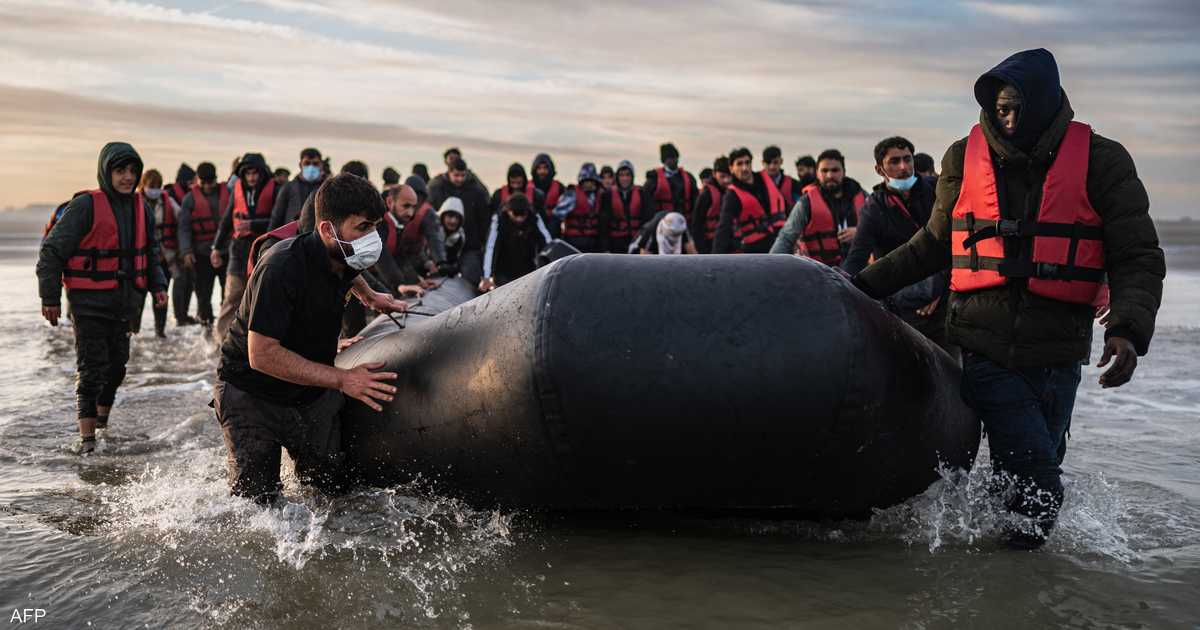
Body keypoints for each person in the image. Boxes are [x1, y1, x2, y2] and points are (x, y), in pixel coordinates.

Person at [851, 48, 1164, 549]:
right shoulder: (962, 156)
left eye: (1019, 107)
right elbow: (933, 245)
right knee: (1040, 487)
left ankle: (997, 567)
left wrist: (1128, 329)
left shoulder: (1103, 160)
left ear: (1045, 102)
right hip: (985, 344)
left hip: (1060, 349)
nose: (1011, 119)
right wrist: (856, 288)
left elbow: (1138, 255)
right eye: (1002, 110)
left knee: (1023, 474)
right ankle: (1016, 588)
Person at [214, 173, 407, 504]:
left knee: (333, 496)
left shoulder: (344, 255)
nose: (371, 237)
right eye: (362, 227)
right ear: (326, 230)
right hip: (252, 394)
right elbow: (261, 355)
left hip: (309, 393)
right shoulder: (280, 267)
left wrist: (371, 296)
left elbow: (349, 272)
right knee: (260, 509)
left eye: (375, 226)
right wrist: (343, 379)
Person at [36, 142, 168, 454]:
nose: (127, 177)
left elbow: (151, 253)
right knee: (92, 367)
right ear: (106, 172)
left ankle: (102, 425)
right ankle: (87, 442)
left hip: (125, 303)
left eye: (132, 171)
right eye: (120, 171)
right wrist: (50, 296)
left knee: (118, 367)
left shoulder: (142, 209)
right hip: (88, 304)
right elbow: (51, 251)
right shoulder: (84, 207)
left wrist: (158, 285)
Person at [843, 137, 951, 354]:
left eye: (907, 159)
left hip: (946, 297)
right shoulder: (873, 208)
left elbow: (958, 241)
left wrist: (941, 291)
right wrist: (841, 287)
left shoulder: (937, 191)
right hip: (902, 302)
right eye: (894, 161)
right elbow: (858, 255)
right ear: (879, 169)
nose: (903, 167)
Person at [212, 153, 277, 343]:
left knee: (259, 299)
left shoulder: (275, 190)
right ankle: (219, 342)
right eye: (248, 174)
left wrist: (253, 225)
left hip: (262, 249)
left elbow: (277, 221)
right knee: (232, 296)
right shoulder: (237, 189)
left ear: (262, 173)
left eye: (255, 173)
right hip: (238, 250)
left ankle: (253, 343)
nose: (251, 178)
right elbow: (226, 221)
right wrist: (215, 247)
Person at [769, 149, 866, 265]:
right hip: (819, 271)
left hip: (856, 268)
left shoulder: (862, 196)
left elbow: (880, 227)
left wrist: (860, 232)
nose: (830, 175)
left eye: (835, 170)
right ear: (817, 173)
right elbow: (786, 238)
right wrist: (770, 266)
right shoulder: (806, 202)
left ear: (844, 172)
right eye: (824, 171)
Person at [138, 169, 191, 336]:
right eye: (151, 186)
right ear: (143, 186)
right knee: (137, 296)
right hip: (141, 257)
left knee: (161, 293)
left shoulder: (168, 202)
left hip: (164, 257)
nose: (154, 189)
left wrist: (185, 249)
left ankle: (159, 332)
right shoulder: (134, 202)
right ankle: (134, 332)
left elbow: (182, 219)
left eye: (158, 186)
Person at [178, 162, 226, 327]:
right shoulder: (189, 199)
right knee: (203, 296)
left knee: (229, 294)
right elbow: (183, 228)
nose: (206, 186)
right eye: (203, 182)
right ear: (198, 180)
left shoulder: (228, 193)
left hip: (225, 252)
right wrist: (186, 251)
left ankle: (226, 329)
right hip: (201, 254)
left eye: (210, 182)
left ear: (216, 179)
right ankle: (206, 328)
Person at [428, 157, 490, 284]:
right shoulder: (437, 188)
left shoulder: (476, 192)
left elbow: (483, 220)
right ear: (449, 173)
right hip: (442, 244)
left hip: (470, 245)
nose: (460, 179)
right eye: (456, 175)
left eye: (463, 175)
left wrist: (482, 242)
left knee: (471, 277)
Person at [713, 147, 786, 254]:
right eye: (739, 164)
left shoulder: (766, 179)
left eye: (747, 163)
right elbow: (723, 229)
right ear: (731, 168)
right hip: (756, 250)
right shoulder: (732, 196)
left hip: (781, 242)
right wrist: (715, 260)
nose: (744, 168)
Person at [479, 192, 552, 293]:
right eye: (516, 215)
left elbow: (547, 243)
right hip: (503, 271)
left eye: (522, 215)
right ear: (508, 211)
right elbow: (490, 247)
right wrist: (487, 276)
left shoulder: (534, 218)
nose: (519, 219)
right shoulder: (498, 220)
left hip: (528, 269)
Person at [268, 147, 325, 230]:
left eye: (315, 164)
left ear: (321, 165)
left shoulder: (327, 188)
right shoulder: (288, 188)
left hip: (319, 237)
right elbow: (276, 218)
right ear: (300, 165)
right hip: (292, 237)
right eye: (307, 163)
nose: (311, 167)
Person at [554, 163, 604, 253]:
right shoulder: (571, 194)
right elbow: (556, 217)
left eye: (591, 181)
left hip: (593, 243)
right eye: (586, 181)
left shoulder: (599, 196)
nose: (589, 184)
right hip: (574, 242)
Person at [600, 160, 647, 254]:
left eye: (628, 175)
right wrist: (605, 248)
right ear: (617, 177)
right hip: (615, 244)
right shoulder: (608, 195)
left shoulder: (642, 193)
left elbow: (647, 220)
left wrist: (644, 244)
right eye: (621, 175)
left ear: (632, 177)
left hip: (636, 242)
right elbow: (603, 224)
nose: (625, 178)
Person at [691, 157, 731, 254]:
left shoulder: (735, 191)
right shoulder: (706, 195)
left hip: (732, 243)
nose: (726, 180)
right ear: (714, 174)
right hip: (711, 244)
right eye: (722, 176)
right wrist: (702, 251)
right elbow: (696, 225)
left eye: (729, 176)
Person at [643, 142, 696, 214]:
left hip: (684, 218)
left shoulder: (689, 178)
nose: (672, 160)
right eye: (668, 158)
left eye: (674, 157)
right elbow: (646, 200)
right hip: (661, 219)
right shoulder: (654, 178)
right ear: (663, 161)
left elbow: (695, 200)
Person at [633, 211, 697, 255]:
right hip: (652, 249)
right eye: (672, 233)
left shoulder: (681, 227)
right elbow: (644, 254)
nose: (674, 236)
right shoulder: (650, 229)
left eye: (677, 234)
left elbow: (691, 250)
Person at [530, 153, 565, 228]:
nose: (542, 171)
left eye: (545, 168)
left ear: (551, 170)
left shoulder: (560, 188)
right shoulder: (527, 187)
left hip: (553, 228)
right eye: (539, 168)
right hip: (532, 228)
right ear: (534, 170)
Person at [439, 197, 466, 269]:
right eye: (450, 216)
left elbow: (454, 258)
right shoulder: (432, 230)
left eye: (457, 218)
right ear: (442, 217)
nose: (453, 221)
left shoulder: (459, 236)